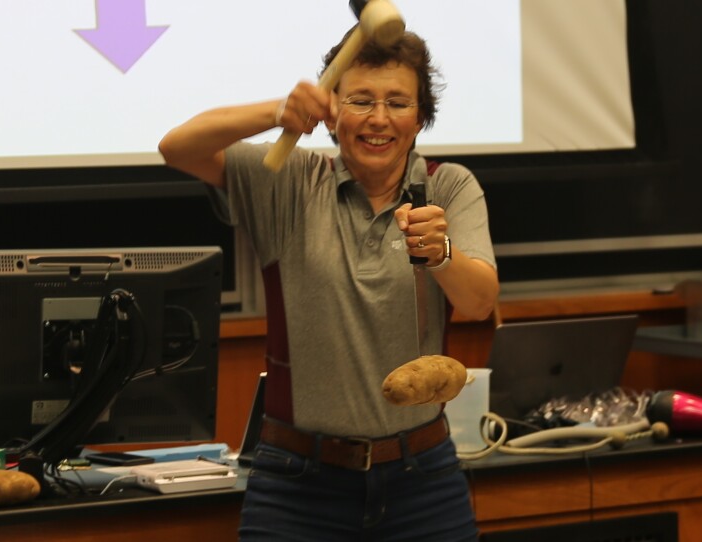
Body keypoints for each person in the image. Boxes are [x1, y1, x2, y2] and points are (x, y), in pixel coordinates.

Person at [159, 27, 499, 542]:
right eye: (360, 100)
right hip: (298, 483)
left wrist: (442, 254)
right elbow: (176, 147)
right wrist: (276, 110)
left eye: (398, 102)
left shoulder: (449, 185)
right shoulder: (289, 180)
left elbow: (479, 301)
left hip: (422, 478)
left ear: (420, 116)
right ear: (331, 111)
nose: (379, 118)